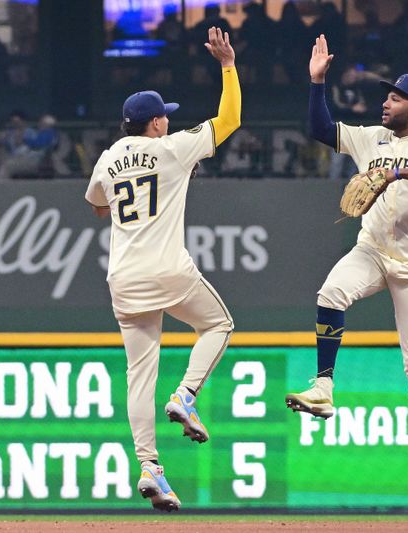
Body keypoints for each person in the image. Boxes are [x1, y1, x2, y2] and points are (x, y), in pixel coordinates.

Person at [285, 35, 408, 496]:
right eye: (387, 95)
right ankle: (324, 388)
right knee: (330, 293)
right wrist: (317, 81)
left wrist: (398, 172)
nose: (385, 102)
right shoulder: (373, 138)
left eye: (395, 97)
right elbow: (321, 129)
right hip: (372, 251)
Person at [84, 27, 240, 513]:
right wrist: (228, 66)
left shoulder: (108, 158)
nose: (167, 125)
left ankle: (150, 467)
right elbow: (229, 120)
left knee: (138, 376)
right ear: (153, 124)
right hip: (167, 269)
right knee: (218, 324)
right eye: (163, 120)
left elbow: (96, 206)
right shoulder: (173, 149)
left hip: (123, 278)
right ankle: (187, 395)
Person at [0, 113, 58, 180]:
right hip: (27, 158)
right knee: (5, 161)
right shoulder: (42, 133)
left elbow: (37, 144)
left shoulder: (48, 134)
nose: (39, 124)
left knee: (7, 166)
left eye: (42, 123)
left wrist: (24, 140)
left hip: (34, 161)